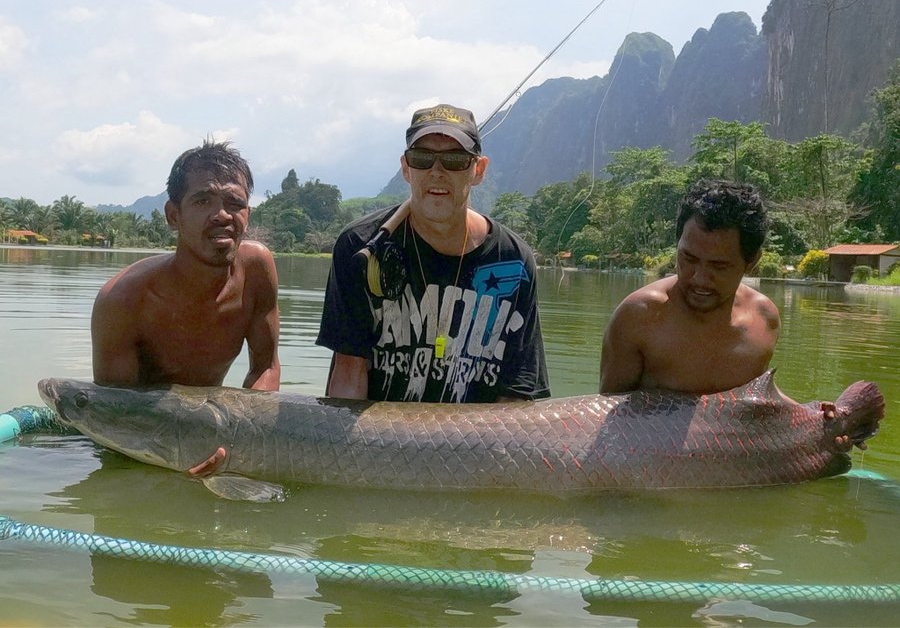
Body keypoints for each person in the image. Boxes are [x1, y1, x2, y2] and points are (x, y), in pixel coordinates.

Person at [317, 103, 550, 402]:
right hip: (378, 440)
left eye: (454, 160)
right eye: (422, 158)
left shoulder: (512, 259)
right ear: (405, 167)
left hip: (474, 443)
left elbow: (518, 393)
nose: (437, 172)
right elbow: (349, 374)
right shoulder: (361, 247)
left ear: (478, 170)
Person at [91, 139, 281, 473]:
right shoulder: (122, 299)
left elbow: (264, 368)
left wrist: (244, 444)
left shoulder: (257, 269)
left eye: (234, 202)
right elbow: (115, 416)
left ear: (247, 215)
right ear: (173, 215)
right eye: (202, 200)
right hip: (141, 448)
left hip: (212, 435)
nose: (221, 215)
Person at [599, 179, 779, 395]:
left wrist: (817, 415)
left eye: (719, 266)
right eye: (689, 258)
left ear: (751, 262)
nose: (700, 279)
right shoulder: (639, 316)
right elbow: (606, 411)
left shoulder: (764, 318)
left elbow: (760, 400)